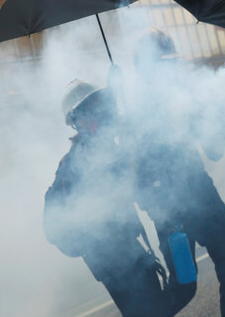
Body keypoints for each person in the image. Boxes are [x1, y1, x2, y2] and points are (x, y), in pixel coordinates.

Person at [130, 29, 225, 317]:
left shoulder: (184, 97)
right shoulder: (135, 112)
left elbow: (213, 150)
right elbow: (135, 177)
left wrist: (220, 121)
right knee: (184, 285)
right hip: (168, 210)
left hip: (201, 193)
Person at [44, 81, 168, 317]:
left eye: (100, 107)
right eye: (92, 110)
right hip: (113, 261)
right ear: (77, 121)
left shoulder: (102, 149)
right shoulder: (77, 162)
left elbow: (134, 183)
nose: (101, 115)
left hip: (128, 252)